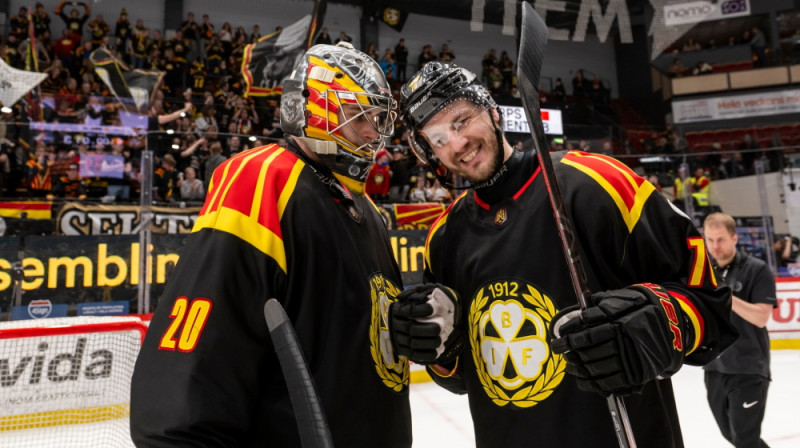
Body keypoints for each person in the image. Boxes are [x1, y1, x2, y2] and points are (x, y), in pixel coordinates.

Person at [388, 62, 736, 447]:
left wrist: (658, 320)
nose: (456, 144)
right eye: (437, 139)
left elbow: (710, 301)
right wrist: (438, 348)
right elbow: (461, 377)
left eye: (461, 121)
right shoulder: (443, 238)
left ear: (491, 110)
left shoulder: (595, 182)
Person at [130, 42, 411, 447]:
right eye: (357, 115)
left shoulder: (367, 209)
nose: (372, 132)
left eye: (378, 117)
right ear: (307, 108)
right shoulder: (261, 177)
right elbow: (191, 366)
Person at [703, 212, 776, 448]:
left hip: (749, 367)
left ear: (734, 238)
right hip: (714, 367)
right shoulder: (704, 272)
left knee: (745, 439)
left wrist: (725, 297)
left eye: (721, 239)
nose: (715, 246)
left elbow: (761, 317)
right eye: (710, 240)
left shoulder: (757, 269)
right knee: (731, 435)